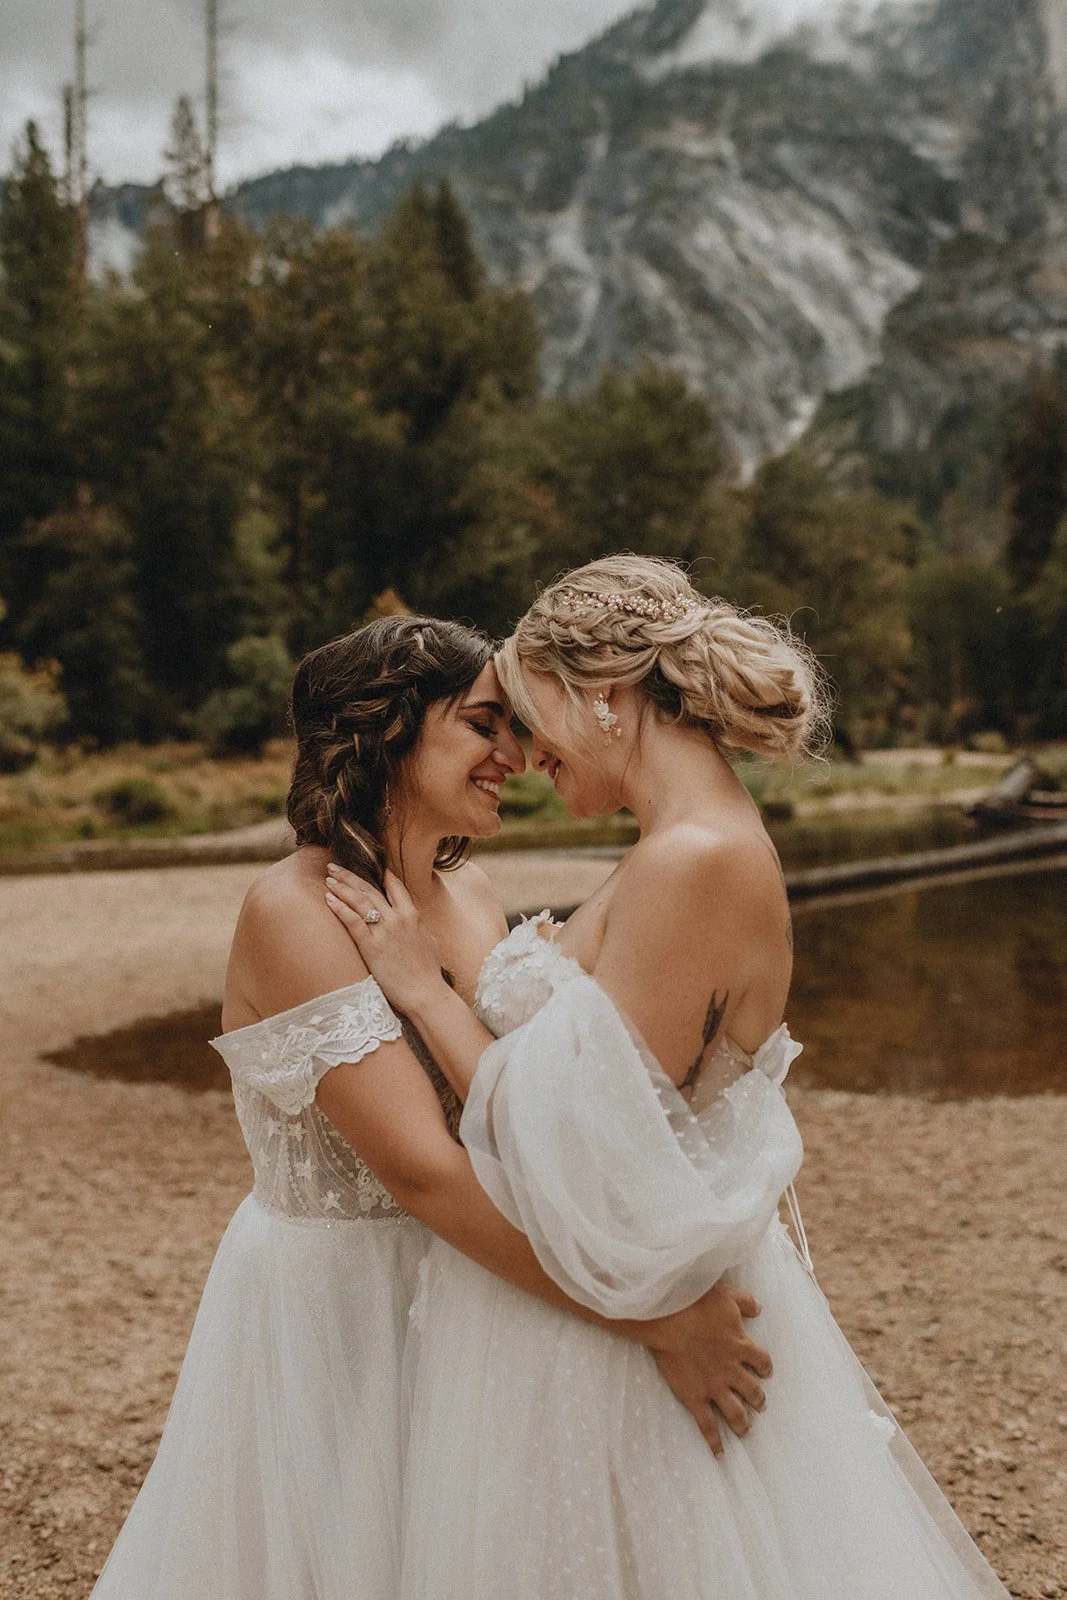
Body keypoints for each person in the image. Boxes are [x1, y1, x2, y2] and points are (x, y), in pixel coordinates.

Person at [325, 558, 1011, 1600]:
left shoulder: (694, 860)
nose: (521, 750)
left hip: (627, 1314)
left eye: (526, 713)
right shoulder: (675, 847)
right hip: (599, 1287)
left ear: (596, 690)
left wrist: (423, 995)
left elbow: (576, 1141)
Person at [86, 614, 772, 1600]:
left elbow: (505, 1105)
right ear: (391, 730)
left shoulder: (473, 891)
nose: (518, 753)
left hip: (482, 1290)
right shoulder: (297, 908)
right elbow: (420, 1170)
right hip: (343, 1308)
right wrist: (650, 1313)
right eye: (484, 724)